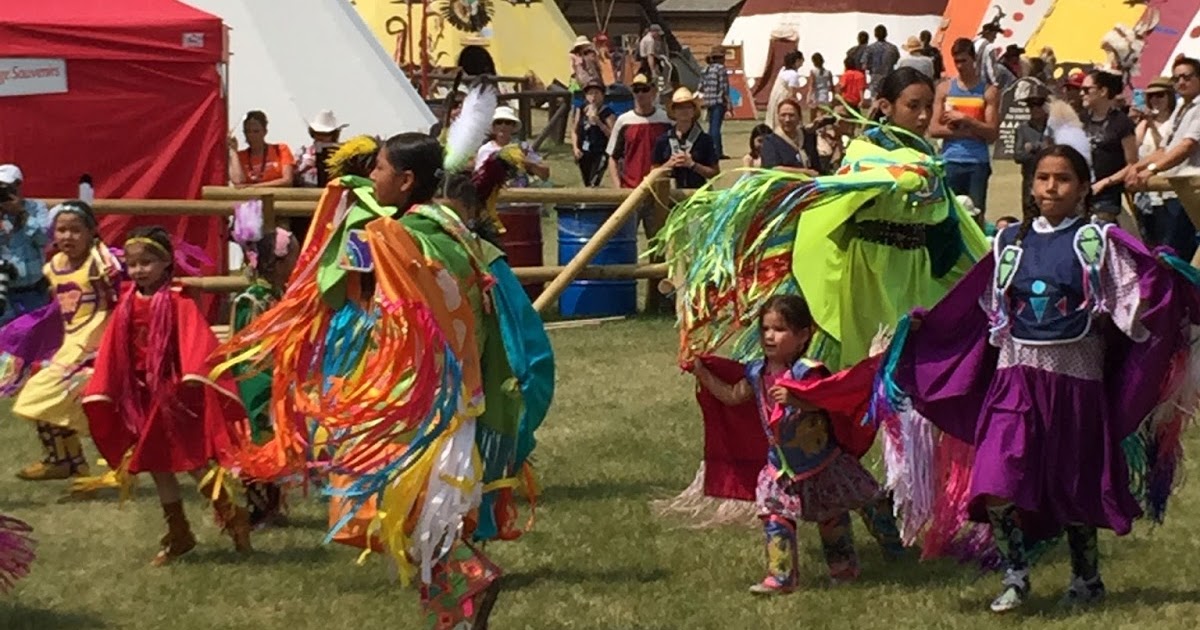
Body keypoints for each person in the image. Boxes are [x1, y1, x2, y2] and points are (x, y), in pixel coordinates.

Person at [215, 89, 555, 627]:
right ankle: (457, 602)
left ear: (406, 181)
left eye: (379, 169)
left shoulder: (397, 236)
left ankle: (466, 584)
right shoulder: (451, 231)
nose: (372, 177)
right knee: (425, 503)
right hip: (456, 387)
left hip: (415, 394)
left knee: (394, 498)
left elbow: (355, 295)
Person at [876, 144, 1200, 613]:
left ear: (1084, 187)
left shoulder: (1096, 241)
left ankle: (1086, 577)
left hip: (1075, 383)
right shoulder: (1009, 244)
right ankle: (1015, 574)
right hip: (1014, 379)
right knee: (996, 478)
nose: (1051, 187)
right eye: (1043, 178)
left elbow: (1132, 303)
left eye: (1063, 178)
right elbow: (980, 309)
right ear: (1031, 184)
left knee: (1072, 483)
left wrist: (1162, 291)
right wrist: (935, 327)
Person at [656, 66, 988, 372]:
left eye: (929, 106)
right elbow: (861, 177)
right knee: (868, 352)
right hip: (871, 268)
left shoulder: (928, 156)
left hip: (913, 264)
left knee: (913, 352)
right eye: (913, 106)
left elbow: (943, 215)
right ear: (886, 107)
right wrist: (903, 177)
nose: (924, 115)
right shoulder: (866, 148)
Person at [691, 295, 897, 594]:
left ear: (803, 336)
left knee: (838, 513)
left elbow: (832, 400)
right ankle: (781, 576)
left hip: (824, 465)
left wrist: (799, 399)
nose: (769, 336)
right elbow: (732, 396)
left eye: (779, 329)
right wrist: (703, 373)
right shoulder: (755, 372)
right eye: (764, 329)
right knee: (774, 513)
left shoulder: (808, 371)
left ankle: (863, 559)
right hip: (781, 467)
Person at [82, 226, 252, 565]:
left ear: (166, 264)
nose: (139, 269)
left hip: (175, 395)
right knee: (157, 464)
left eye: (147, 262)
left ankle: (233, 516)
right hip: (143, 397)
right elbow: (115, 347)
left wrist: (189, 375)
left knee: (192, 462)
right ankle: (180, 533)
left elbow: (196, 340)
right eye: (133, 264)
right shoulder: (128, 303)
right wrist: (105, 385)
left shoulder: (178, 300)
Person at [3, 201, 117, 482]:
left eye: (76, 230)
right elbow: (59, 309)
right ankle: (67, 460)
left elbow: (118, 300)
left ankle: (70, 459)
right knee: (45, 396)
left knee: (40, 395)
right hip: (70, 343)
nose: (67, 236)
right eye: (61, 230)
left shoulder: (99, 262)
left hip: (94, 344)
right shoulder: (55, 265)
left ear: (92, 231)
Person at [229, 201, 299, 528]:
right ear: (275, 263)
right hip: (255, 379)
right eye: (294, 257)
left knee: (273, 436)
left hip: (276, 376)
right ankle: (258, 510)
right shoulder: (253, 299)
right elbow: (249, 348)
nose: (298, 262)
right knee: (259, 435)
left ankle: (271, 506)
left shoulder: (277, 293)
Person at [1125, 57, 1200, 260]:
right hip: (1176, 191)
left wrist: (1152, 170)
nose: (1181, 83)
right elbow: (1165, 149)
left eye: (1186, 77)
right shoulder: (1181, 109)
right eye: (1176, 79)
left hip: (1192, 191)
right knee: (1170, 252)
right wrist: (1137, 167)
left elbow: (1188, 145)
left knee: (1175, 253)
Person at [933, 38, 1000, 220]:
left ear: (974, 60)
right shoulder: (945, 89)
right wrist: (966, 133)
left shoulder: (988, 91)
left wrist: (966, 119)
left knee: (975, 215)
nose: (960, 66)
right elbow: (933, 129)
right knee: (948, 215)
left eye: (964, 61)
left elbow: (992, 134)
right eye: (957, 61)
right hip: (950, 160)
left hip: (977, 162)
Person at [1083, 70, 1138, 223]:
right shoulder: (1081, 120)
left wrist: (1105, 182)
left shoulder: (1121, 123)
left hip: (1107, 199)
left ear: (1103, 91)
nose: (1082, 93)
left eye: (1087, 89)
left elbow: (1132, 163)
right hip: (1080, 196)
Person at [0, 164, 51, 326]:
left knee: (36, 338)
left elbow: (44, 240)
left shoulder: (37, 208)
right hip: (4, 293)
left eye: (7, 188)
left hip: (34, 290)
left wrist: (22, 214)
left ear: (18, 186)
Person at [1133, 77, 1178, 245]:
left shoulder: (1175, 122)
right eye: (1151, 96)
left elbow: (1165, 150)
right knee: (1148, 240)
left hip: (1168, 192)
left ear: (1169, 97)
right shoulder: (1142, 125)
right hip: (1145, 192)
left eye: (1160, 95)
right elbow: (1134, 149)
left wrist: (1152, 126)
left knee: (1169, 241)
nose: (1155, 100)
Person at [607, 74, 672, 189]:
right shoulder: (624, 121)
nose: (640, 94)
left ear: (653, 92)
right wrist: (618, 187)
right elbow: (613, 157)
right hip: (629, 188)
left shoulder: (666, 119)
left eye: (644, 90)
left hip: (659, 187)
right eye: (636, 90)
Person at [653, 88, 720, 189]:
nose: (684, 111)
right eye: (680, 107)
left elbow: (715, 173)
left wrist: (692, 165)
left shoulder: (705, 140)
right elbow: (653, 174)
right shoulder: (663, 140)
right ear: (674, 111)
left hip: (698, 197)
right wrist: (669, 164)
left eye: (688, 107)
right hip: (670, 198)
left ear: (693, 111)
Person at [475, 106, 550, 185]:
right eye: (499, 122)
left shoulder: (523, 147)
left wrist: (527, 163)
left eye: (507, 122)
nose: (503, 126)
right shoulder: (485, 149)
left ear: (513, 126)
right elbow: (479, 177)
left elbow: (545, 174)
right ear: (493, 127)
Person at [230, 111, 296, 188]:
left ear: (265, 132)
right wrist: (233, 151)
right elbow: (238, 182)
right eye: (248, 131)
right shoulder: (240, 156)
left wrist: (254, 187)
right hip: (249, 199)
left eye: (256, 131)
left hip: (277, 197)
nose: (251, 135)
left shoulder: (280, 149)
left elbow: (287, 180)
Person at [571, 80, 616, 187]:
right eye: (590, 93)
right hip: (584, 151)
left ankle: (591, 200)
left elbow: (613, 136)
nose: (593, 97)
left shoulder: (607, 113)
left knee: (594, 181)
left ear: (602, 95)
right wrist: (575, 148)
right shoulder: (581, 109)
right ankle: (588, 201)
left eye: (596, 93)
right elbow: (574, 130)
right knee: (586, 181)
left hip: (600, 151)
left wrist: (599, 122)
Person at [1013, 85, 1050, 209]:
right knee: (1030, 212)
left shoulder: (1052, 128)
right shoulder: (1022, 129)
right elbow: (1018, 156)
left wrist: (1033, 147)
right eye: (1031, 106)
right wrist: (1040, 149)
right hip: (1030, 179)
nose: (1034, 109)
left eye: (1038, 105)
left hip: (1050, 178)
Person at [759, 99, 820, 173]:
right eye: (783, 115)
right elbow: (772, 168)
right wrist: (804, 172)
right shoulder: (770, 141)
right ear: (778, 117)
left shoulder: (808, 137)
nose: (787, 120)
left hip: (812, 182)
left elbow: (817, 166)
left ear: (799, 117)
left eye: (791, 115)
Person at [295, 110, 348, 188]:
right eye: (317, 133)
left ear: (333, 135)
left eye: (325, 134)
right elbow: (291, 177)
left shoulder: (344, 154)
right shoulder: (302, 152)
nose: (320, 137)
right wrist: (303, 167)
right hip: (305, 195)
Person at [700, 47, 731, 159]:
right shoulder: (721, 69)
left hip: (708, 100)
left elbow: (701, 87)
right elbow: (724, 87)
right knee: (716, 128)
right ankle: (717, 152)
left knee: (711, 127)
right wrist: (728, 103)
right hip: (718, 101)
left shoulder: (706, 69)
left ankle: (710, 150)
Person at [766, 51, 804, 129]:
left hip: (775, 97)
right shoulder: (793, 74)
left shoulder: (783, 70)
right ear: (797, 61)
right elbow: (791, 92)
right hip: (783, 97)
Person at [862, 25, 901, 101]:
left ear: (875, 35)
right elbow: (896, 61)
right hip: (889, 77)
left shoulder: (870, 48)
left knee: (874, 100)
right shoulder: (893, 48)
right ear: (886, 34)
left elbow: (864, 65)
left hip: (875, 78)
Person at [975, 21, 1003, 86]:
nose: (995, 37)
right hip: (982, 81)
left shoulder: (974, 43)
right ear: (987, 33)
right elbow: (990, 67)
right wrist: (994, 83)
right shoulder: (989, 47)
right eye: (994, 34)